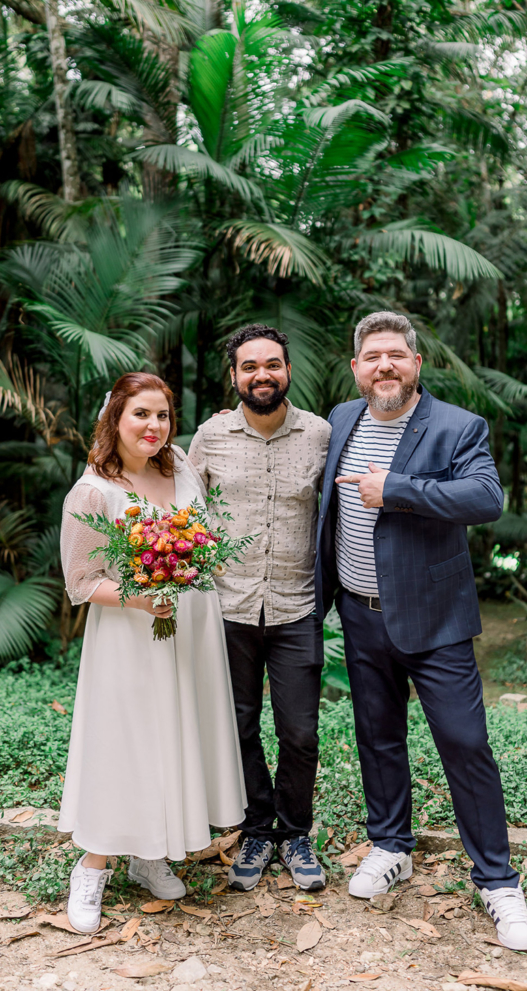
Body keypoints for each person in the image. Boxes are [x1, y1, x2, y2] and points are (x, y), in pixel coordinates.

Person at [315, 311, 527, 952]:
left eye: (397, 355)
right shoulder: (340, 421)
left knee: (465, 743)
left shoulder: (457, 426)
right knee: (377, 738)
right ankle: (391, 847)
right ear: (356, 368)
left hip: (435, 622)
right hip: (358, 613)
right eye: (372, 356)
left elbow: (485, 500)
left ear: (416, 365)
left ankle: (496, 880)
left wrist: (398, 489)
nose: (385, 365)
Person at [58, 372, 245, 933]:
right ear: (114, 418)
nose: (154, 426)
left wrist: (193, 564)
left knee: (176, 734)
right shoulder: (94, 492)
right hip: (129, 635)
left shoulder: (181, 464)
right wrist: (140, 599)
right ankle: (92, 865)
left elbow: (203, 539)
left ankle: (149, 852)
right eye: (141, 414)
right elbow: (80, 582)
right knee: (127, 742)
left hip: (190, 625)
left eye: (162, 415)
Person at [189, 325, 331, 892]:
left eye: (272, 364)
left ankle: (296, 832)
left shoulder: (321, 434)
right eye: (249, 367)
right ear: (234, 377)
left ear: (288, 371)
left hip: (297, 608)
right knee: (237, 725)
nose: (261, 375)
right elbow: (180, 506)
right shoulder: (211, 435)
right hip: (227, 607)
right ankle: (256, 827)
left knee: (300, 733)